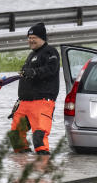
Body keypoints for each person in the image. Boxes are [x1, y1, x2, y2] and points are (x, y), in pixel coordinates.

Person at [5, 22, 59, 155]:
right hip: (24, 102)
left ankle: (43, 170)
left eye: (33, 37)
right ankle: (22, 170)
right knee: (16, 138)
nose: (30, 40)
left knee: (39, 138)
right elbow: (24, 75)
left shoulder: (51, 52)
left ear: (42, 38)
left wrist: (34, 72)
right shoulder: (31, 55)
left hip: (42, 102)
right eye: (29, 38)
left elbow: (51, 70)